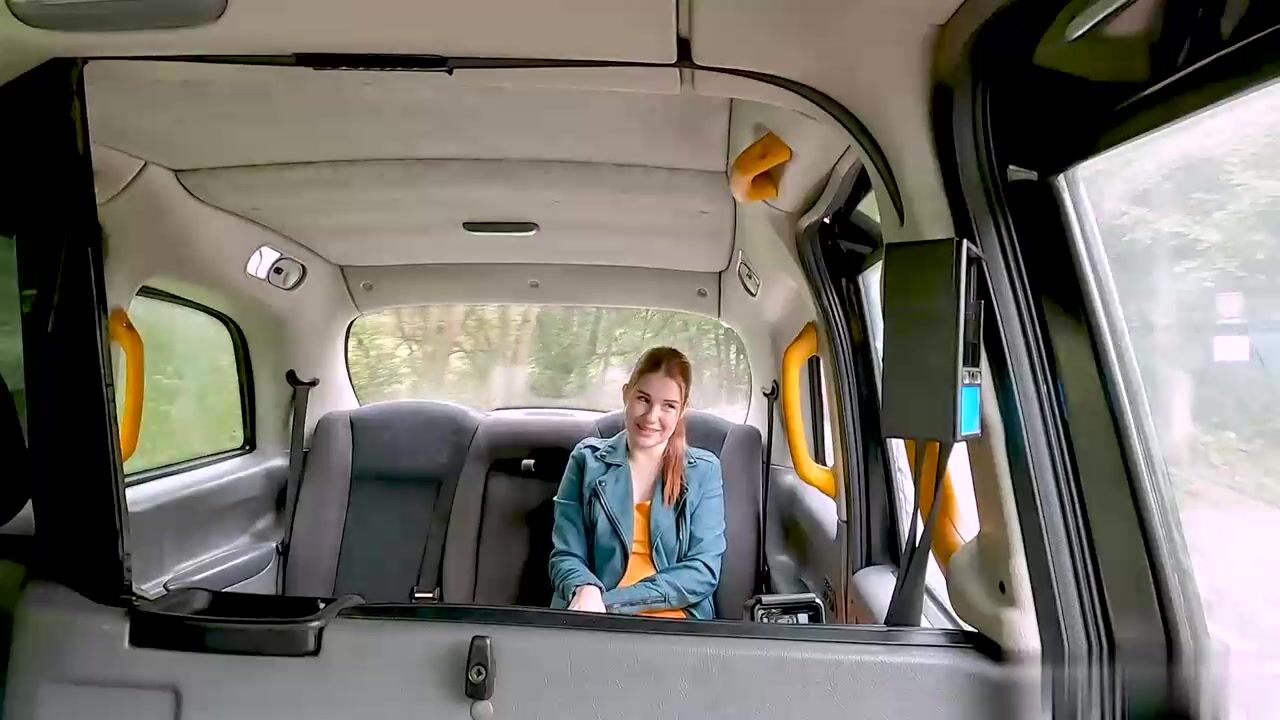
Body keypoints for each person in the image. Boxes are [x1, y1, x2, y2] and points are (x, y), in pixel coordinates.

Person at [548, 346, 726, 619]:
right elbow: (566, 555)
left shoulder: (704, 471)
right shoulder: (586, 460)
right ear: (626, 394)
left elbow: (702, 570)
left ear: (682, 410)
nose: (652, 416)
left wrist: (611, 603)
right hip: (591, 614)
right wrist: (584, 588)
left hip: (671, 618)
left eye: (668, 406)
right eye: (643, 399)